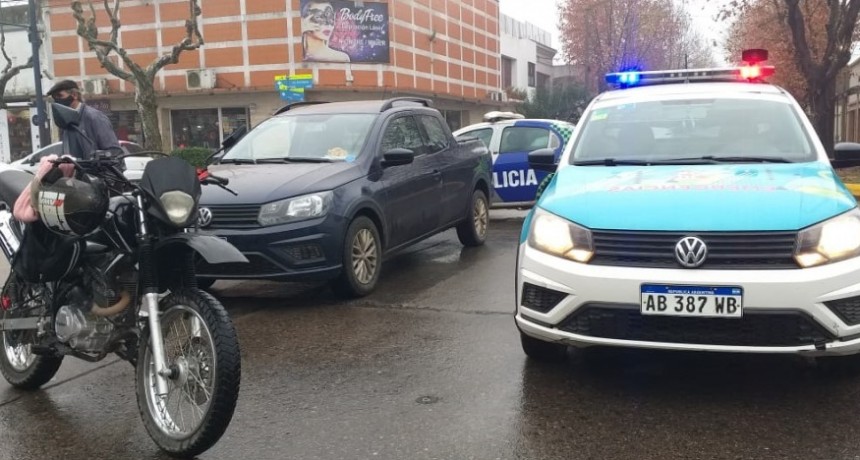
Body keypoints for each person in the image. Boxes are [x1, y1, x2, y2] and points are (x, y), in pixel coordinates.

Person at [45, 79, 120, 159]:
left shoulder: (94, 117)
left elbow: (114, 151)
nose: (57, 101)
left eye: (60, 96)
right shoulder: (66, 122)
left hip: (96, 170)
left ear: (74, 95)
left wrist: (95, 158)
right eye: (54, 98)